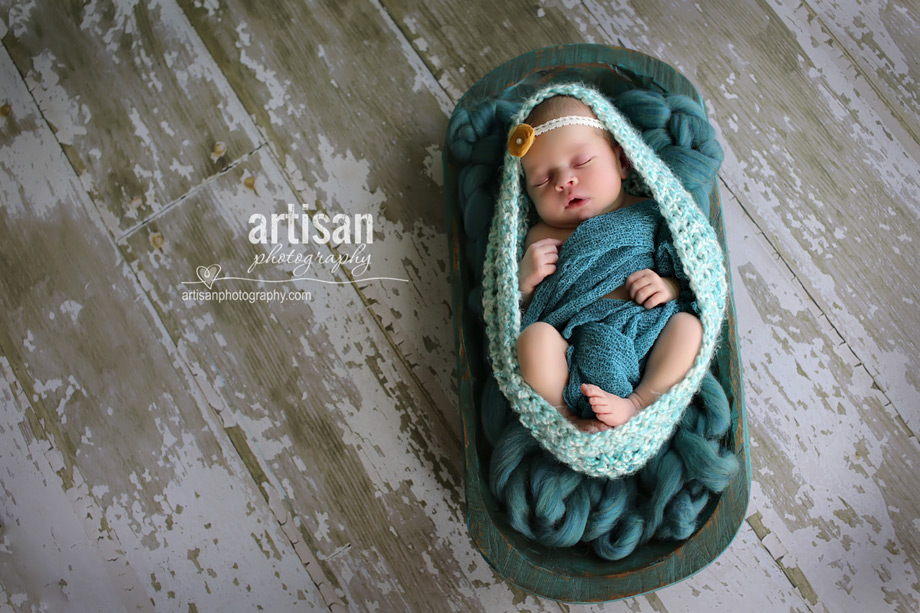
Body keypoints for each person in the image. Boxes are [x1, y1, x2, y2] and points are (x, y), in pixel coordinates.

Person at [512, 96, 703, 433]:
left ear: (622, 160)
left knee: (689, 328)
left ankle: (638, 404)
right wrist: (524, 282)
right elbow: (528, 312)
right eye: (542, 180)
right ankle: (565, 420)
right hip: (574, 351)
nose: (563, 182)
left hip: (649, 336)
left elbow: (691, 276)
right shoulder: (540, 237)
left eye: (582, 161)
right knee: (533, 340)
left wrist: (669, 286)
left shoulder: (649, 211)